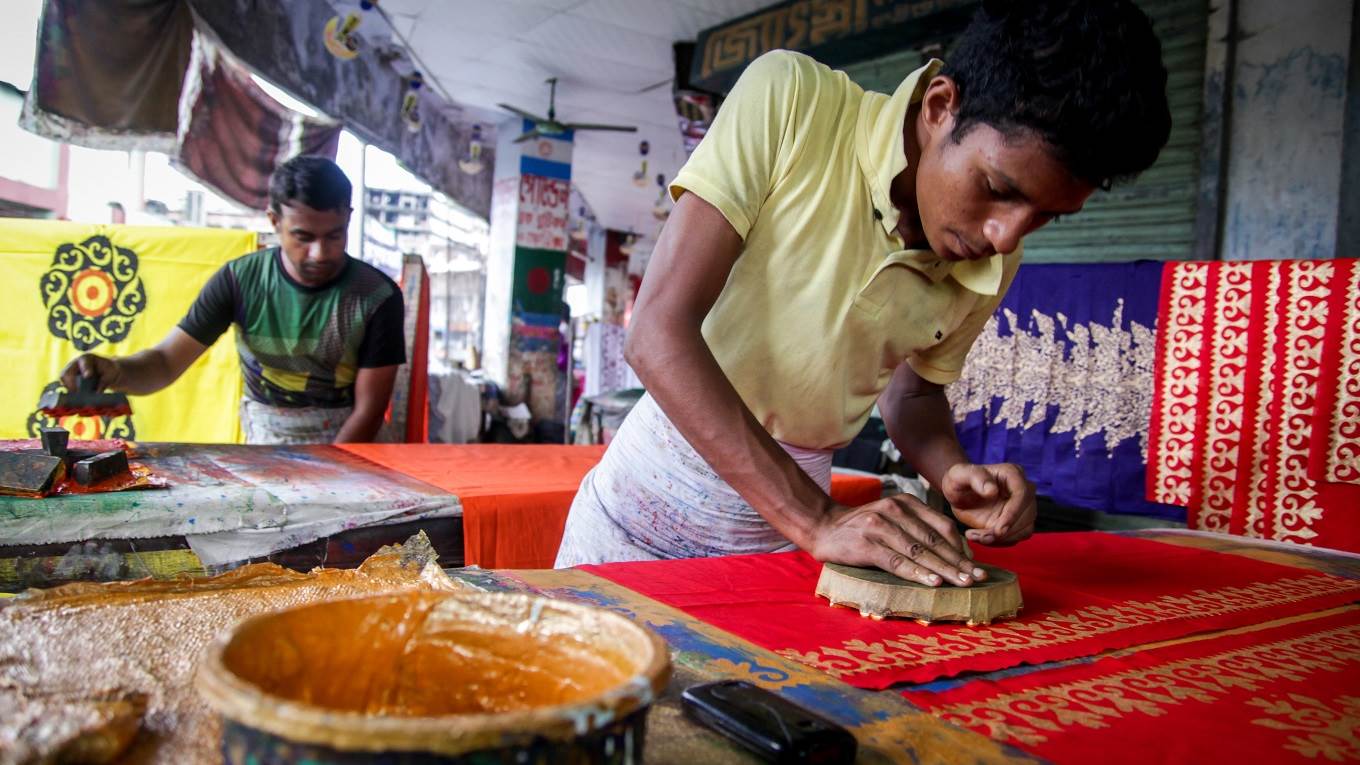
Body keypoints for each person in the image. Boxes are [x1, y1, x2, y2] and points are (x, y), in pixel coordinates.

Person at [555, 0, 1171, 586]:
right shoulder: (791, 99)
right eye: (998, 187)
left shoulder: (990, 257)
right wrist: (816, 519)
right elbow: (657, 333)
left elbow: (915, 396)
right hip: (636, 518)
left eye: (1045, 217)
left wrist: (953, 472)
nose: (1005, 235)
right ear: (939, 107)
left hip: (778, 548)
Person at [60, 156, 406, 444]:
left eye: (335, 235)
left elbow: (369, 411)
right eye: (303, 236)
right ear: (275, 221)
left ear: (349, 217)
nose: (319, 253)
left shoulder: (377, 296)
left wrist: (330, 476)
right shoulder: (239, 281)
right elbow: (166, 363)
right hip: (267, 438)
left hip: (351, 441)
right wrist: (117, 371)